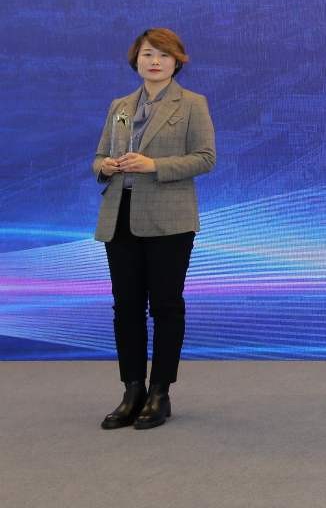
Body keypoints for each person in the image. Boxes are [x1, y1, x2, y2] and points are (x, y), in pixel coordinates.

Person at [92, 28, 216, 430]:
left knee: (165, 305)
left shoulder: (192, 104)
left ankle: (160, 392)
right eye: (148, 54)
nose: (155, 61)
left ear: (177, 61)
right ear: (136, 60)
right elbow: (99, 156)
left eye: (163, 55)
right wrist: (105, 166)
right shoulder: (120, 106)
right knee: (126, 307)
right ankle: (132, 390)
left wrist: (154, 166)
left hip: (169, 220)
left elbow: (205, 158)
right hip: (120, 216)